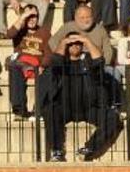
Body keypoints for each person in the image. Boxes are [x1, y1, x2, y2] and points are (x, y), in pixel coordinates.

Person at [40, 32, 123, 162]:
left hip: (90, 108)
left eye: (77, 43)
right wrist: (63, 41)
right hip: (65, 108)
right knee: (50, 110)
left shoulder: (88, 60)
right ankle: (57, 151)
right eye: (71, 43)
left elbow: (100, 61)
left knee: (113, 118)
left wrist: (86, 40)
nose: (74, 45)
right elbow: (55, 61)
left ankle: (89, 149)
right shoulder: (61, 62)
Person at [7, 5, 51, 120]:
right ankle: (19, 111)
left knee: (49, 71)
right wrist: (23, 17)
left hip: (37, 66)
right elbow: (9, 34)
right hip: (21, 65)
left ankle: (39, 111)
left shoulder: (44, 32)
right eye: (28, 16)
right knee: (14, 66)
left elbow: (49, 54)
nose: (31, 19)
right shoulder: (19, 31)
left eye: (34, 16)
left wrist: (43, 65)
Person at [49, 4, 115, 67]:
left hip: (94, 65)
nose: (85, 20)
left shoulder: (100, 29)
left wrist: (104, 65)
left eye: (88, 17)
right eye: (82, 17)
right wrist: (65, 56)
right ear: (75, 18)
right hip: (71, 64)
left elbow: (108, 51)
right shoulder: (67, 27)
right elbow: (52, 42)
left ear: (93, 17)